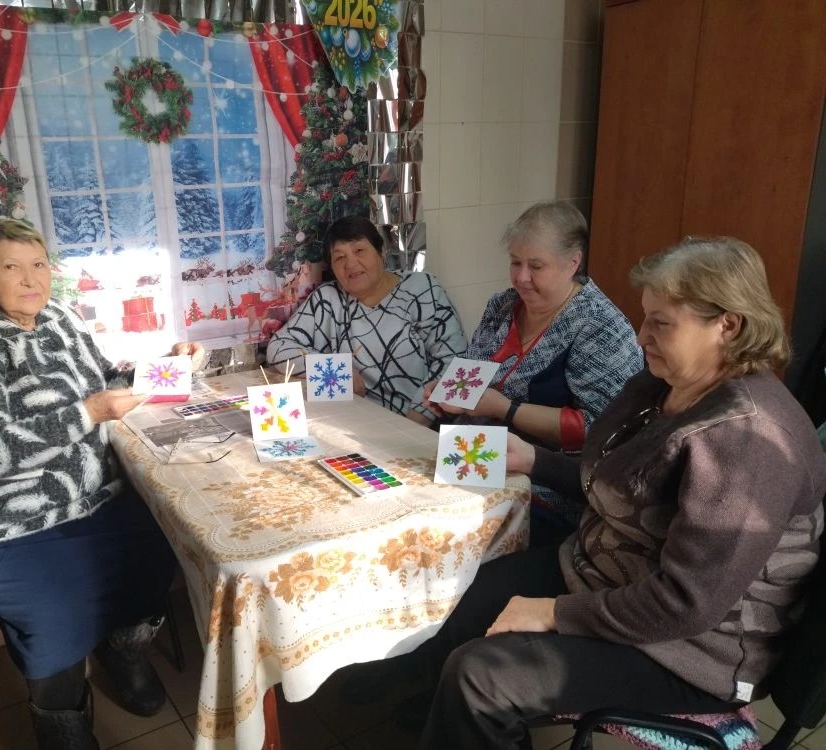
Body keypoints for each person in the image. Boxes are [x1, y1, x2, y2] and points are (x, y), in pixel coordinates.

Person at [412, 236, 826, 749]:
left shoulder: (747, 439)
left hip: (688, 650)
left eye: (661, 323)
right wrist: (534, 460)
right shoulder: (660, 386)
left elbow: (686, 604)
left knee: (480, 678)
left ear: (728, 325)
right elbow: (617, 481)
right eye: (645, 317)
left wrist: (552, 613)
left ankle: (464, 718)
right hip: (599, 577)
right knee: (463, 595)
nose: (641, 335)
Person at [0, 219, 204, 750]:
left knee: (164, 542)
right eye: (11, 267)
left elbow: (105, 383)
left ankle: (123, 650)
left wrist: (161, 369)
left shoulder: (62, 319)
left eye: (39, 265)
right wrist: (88, 413)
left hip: (89, 499)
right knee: (57, 606)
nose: (31, 279)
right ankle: (61, 719)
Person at [424, 200, 642, 545]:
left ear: (573, 263)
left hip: (547, 485)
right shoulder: (502, 306)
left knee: (441, 538)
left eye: (536, 266)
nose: (521, 278)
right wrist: (447, 395)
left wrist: (504, 408)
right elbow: (471, 373)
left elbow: (602, 430)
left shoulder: (600, 327)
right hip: (472, 457)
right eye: (515, 262)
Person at [266, 216, 467, 425]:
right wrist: (336, 372)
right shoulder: (327, 299)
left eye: (359, 250)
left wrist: (415, 421)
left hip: (420, 425)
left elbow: (454, 361)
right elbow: (278, 348)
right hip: (353, 427)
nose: (351, 263)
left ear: (381, 251)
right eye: (339, 258)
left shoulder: (422, 289)